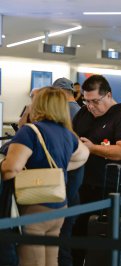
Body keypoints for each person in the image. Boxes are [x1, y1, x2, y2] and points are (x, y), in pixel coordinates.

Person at [1, 87, 89, 266]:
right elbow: (84, 154)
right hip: (59, 205)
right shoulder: (67, 133)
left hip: (35, 205)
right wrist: (62, 167)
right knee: (51, 260)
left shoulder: (30, 131)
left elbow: (11, 169)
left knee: (32, 261)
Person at [71, 75, 121, 266]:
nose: (90, 106)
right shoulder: (83, 114)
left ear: (108, 95)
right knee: (76, 240)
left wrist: (93, 148)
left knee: (102, 247)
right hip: (82, 187)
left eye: (95, 101)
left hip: (110, 191)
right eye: (86, 100)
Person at [52, 77, 85, 266]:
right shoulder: (79, 112)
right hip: (73, 184)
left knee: (60, 241)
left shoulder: (67, 113)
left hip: (62, 186)